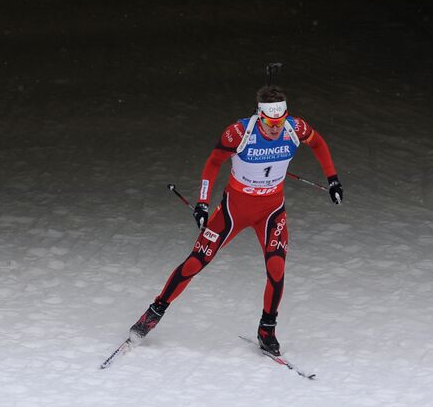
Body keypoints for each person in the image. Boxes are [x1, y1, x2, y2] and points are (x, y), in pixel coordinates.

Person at [127, 84, 343, 355]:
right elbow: (214, 162)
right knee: (196, 261)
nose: (276, 129)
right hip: (233, 210)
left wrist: (333, 179)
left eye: (280, 122)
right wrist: (203, 203)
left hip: (272, 212)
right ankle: (153, 312)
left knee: (276, 268)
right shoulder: (240, 133)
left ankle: (267, 330)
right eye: (269, 123)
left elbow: (319, 143)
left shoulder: (295, 128)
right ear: (259, 116)